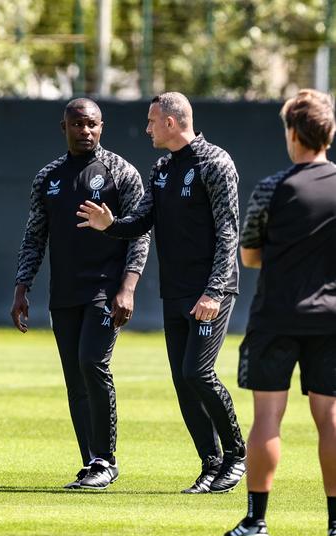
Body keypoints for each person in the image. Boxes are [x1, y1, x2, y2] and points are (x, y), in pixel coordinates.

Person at [77, 92, 247, 493]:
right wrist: (110, 224)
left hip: (210, 292)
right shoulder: (162, 168)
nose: (147, 128)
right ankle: (210, 464)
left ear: (171, 122)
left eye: (152, 121)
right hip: (176, 291)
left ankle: (236, 455)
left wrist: (215, 291)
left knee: (198, 373)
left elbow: (228, 232)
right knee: (182, 380)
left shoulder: (215, 162)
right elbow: (142, 221)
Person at [11, 98, 150, 490]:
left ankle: (107, 460)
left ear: (101, 126)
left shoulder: (121, 172)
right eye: (77, 125)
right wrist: (22, 288)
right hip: (65, 293)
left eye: (91, 124)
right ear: (64, 127)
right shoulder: (48, 177)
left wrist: (128, 287)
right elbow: (35, 235)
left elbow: (139, 232)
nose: (85, 131)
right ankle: (90, 462)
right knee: (75, 377)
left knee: (93, 363)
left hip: (106, 290)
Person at [223, 89, 336, 536]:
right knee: (329, 418)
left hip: (276, 315)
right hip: (331, 319)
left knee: (267, 417)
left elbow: (249, 256)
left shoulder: (273, 187)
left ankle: (256, 522)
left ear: (293, 133)